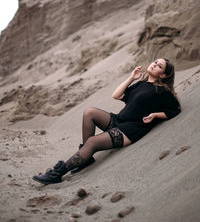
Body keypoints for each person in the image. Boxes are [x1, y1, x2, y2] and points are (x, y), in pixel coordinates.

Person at [33, 58, 181, 185]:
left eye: (159, 66)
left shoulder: (161, 90)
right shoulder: (141, 84)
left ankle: (56, 174)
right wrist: (131, 78)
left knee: (91, 142)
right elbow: (116, 95)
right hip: (120, 120)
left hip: (130, 130)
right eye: (155, 62)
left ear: (163, 75)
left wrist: (155, 115)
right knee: (89, 112)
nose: (154, 64)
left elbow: (175, 109)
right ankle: (86, 158)